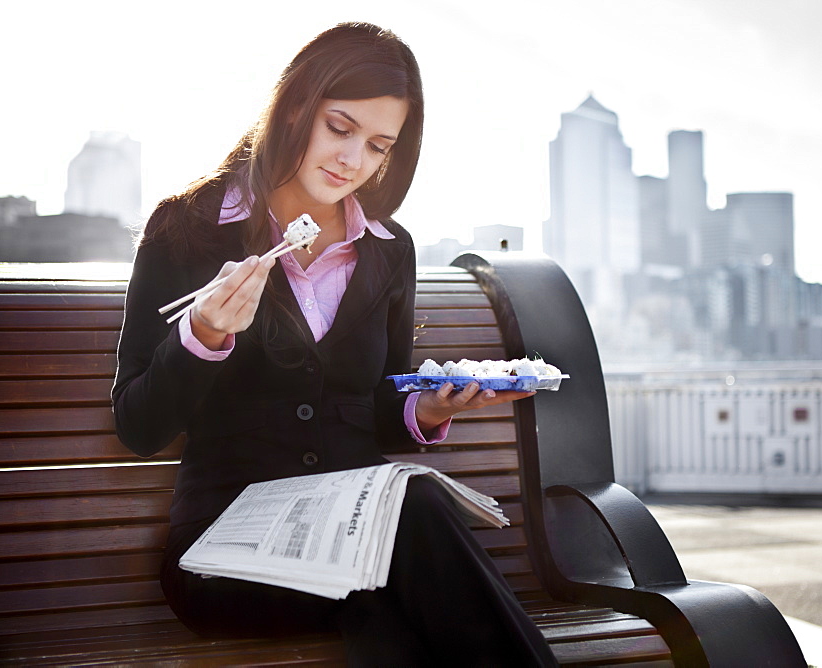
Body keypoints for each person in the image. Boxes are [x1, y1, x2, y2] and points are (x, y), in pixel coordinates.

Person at [112, 22, 557, 666]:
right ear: (295, 107)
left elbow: (377, 400)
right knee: (413, 524)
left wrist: (425, 410)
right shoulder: (187, 229)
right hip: (227, 548)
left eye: (378, 146)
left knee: (391, 568)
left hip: (358, 534)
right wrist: (204, 336)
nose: (354, 160)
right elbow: (137, 426)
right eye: (340, 128)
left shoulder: (387, 248)